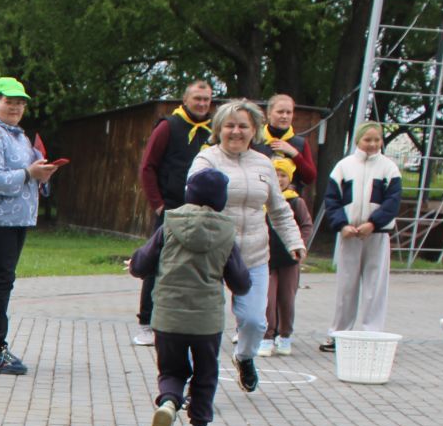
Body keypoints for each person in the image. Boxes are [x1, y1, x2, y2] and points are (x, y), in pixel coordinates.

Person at [129, 168, 251, 426]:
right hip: (206, 320)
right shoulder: (226, 233)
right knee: (205, 372)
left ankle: (169, 402)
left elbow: (142, 263)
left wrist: (135, 262)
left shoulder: (169, 225)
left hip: (168, 315)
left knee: (171, 368)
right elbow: (240, 282)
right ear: (221, 200)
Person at [189, 100, 304, 393]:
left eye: (243, 126)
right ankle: (198, 382)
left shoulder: (263, 163)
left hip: (253, 254)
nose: (236, 132)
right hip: (212, 253)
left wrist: (293, 241)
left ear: (255, 130)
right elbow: (191, 197)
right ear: (218, 129)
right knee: (205, 325)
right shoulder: (207, 159)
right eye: (229, 125)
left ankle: (245, 357)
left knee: (255, 320)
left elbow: (278, 209)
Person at [0, 76, 62, 375]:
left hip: (16, 218)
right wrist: (28, 174)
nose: (16, 107)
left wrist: (41, 175)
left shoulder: (17, 135)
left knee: (2, 280)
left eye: (20, 102)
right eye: (9, 101)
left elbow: (28, 176)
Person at [134, 79, 215, 345]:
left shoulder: (212, 130)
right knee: (157, 261)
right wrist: (158, 203)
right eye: (197, 99)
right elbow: (148, 167)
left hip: (202, 210)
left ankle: (187, 321)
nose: (202, 104)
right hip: (171, 207)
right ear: (185, 100)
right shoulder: (169, 126)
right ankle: (146, 321)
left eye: (206, 99)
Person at [319, 121, 402, 349]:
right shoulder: (344, 167)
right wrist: (341, 225)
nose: (372, 144)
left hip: (376, 235)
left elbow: (392, 202)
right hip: (349, 234)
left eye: (377, 140)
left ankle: (371, 333)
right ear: (358, 141)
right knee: (347, 285)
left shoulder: (389, 168)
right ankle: (339, 333)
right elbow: (332, 200)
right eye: (368, 140)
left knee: (375, 285)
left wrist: (374, 223)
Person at [257, 94, 318, 356]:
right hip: (260, 208)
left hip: (289, 206)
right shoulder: (259, 140)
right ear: (269, 114)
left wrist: (295, 154)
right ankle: (261, 331)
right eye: (279, 112)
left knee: (286, 292)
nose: (284, 116)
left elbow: (310, 175)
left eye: (289, 113)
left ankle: (284, 333)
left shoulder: (299, 142)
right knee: (262, 289)